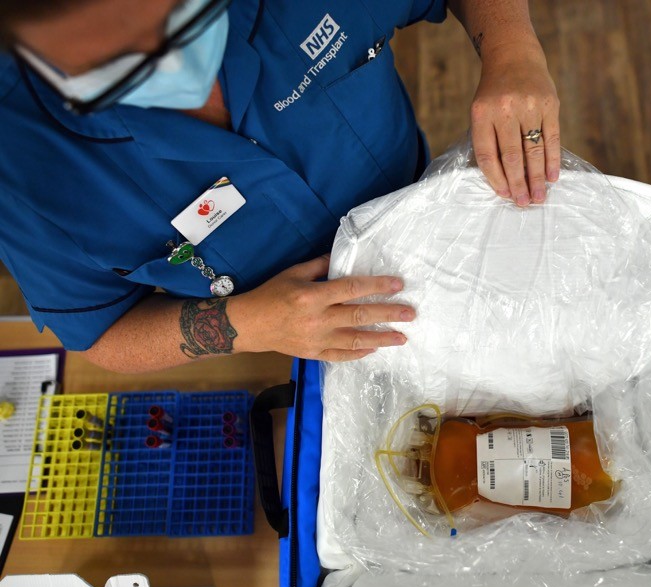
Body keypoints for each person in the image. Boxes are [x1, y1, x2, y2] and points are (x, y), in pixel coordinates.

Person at [0, 0, 559, 373]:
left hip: (437, 215)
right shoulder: (24, 170)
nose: (180, 66)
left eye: (185, 18)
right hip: (294, 341)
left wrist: (513, 51)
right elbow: (98, 331)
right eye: (120, 63)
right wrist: (246, 326)